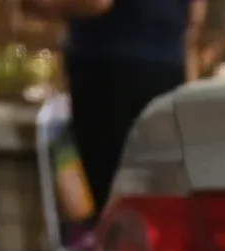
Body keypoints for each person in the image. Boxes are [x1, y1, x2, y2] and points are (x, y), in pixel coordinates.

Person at [40, 0, 193, 195]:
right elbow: (195, 17)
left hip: (111, 69)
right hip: (168, 63)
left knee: (113, 194)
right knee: (157, 193)